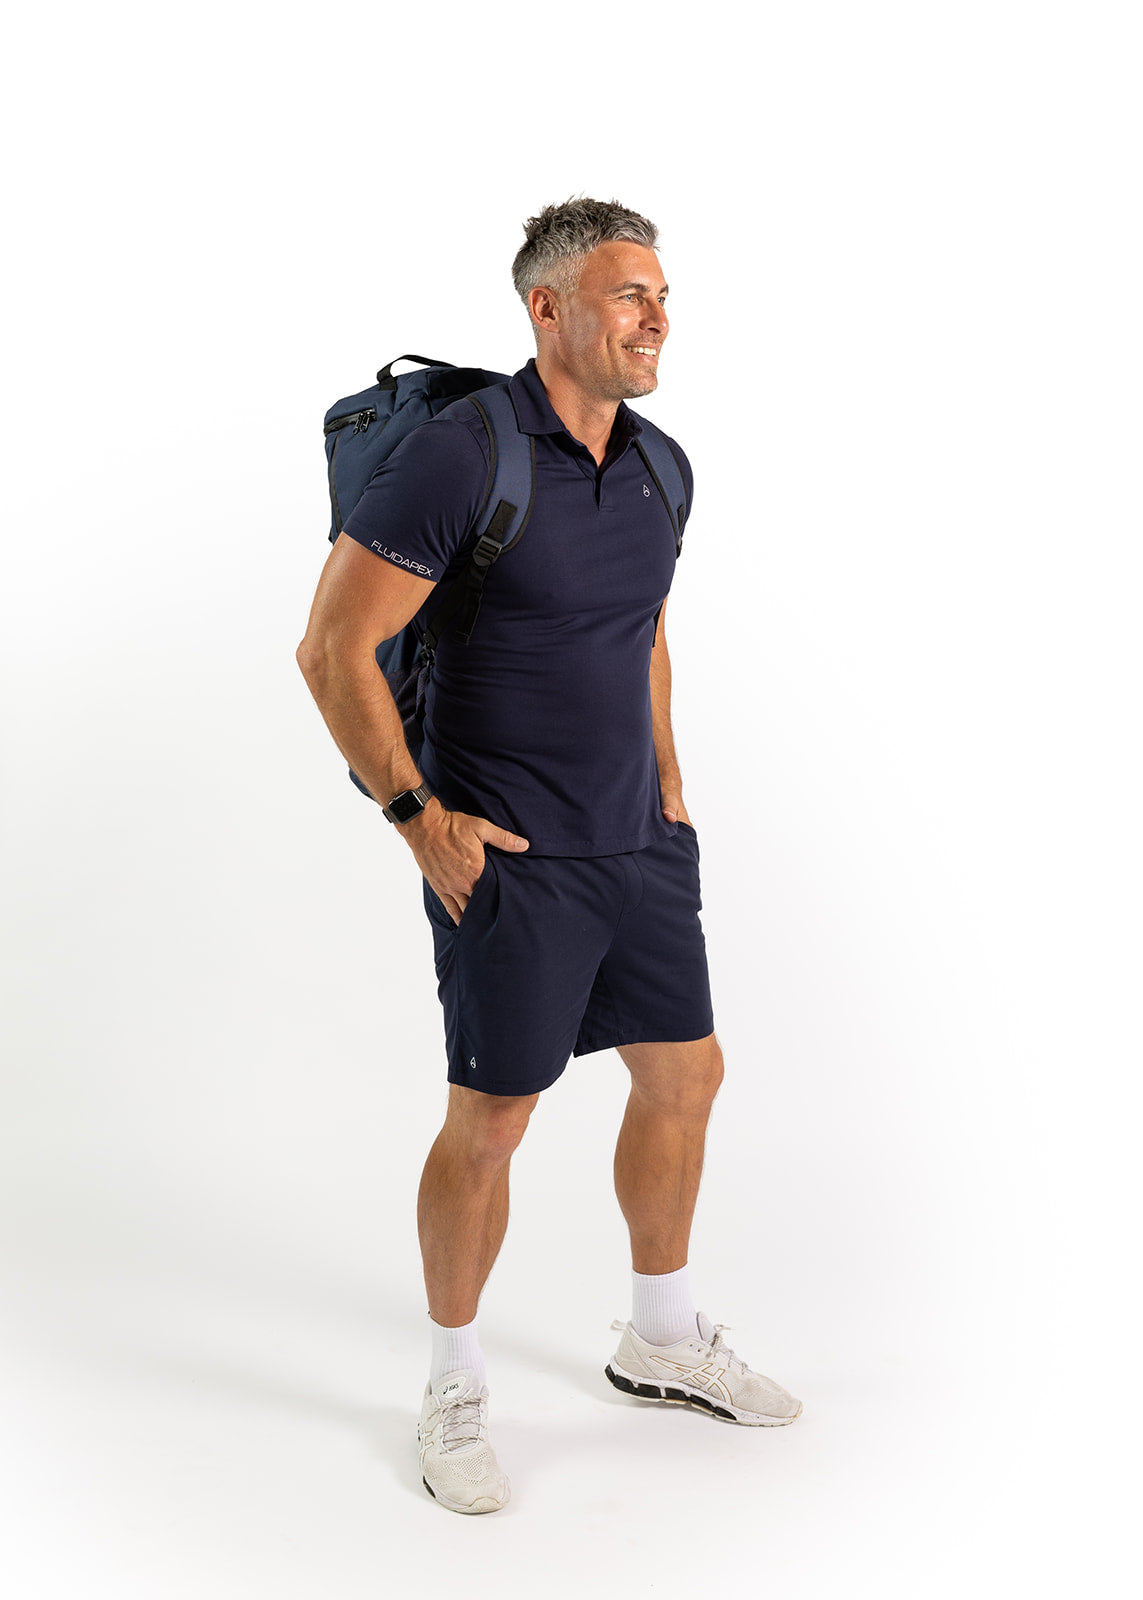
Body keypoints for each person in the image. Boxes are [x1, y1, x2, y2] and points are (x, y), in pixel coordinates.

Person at [297, 197, 801, 1515]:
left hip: (639, 845)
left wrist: (670, 784)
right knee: (494, 1119)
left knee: (686, 1074)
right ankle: (452, 1384)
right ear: (548, 308)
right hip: (509, 854)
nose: (657, 319)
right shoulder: (462, 455)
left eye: (663, 296)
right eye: (631, 295)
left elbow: (643, 627)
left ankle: (662, 1337)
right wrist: (419, 821)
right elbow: (332, 648)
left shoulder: (661, 464)